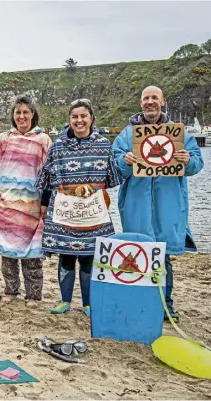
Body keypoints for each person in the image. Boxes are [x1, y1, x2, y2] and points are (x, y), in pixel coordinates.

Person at [112, 86, 204, 322]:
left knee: (163, 257)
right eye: (146, 98)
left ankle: (166, 304)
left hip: (168, 206)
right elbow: (113, 167)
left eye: (154, 98)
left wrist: (188, 159)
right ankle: (139, 304)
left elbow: (197, 164)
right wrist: (124, 161)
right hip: (136, 205)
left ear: (163, 101)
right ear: (140, 103)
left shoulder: (179, 134)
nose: (150, 102)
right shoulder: (127, 135)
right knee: (138, 254)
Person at [36, 99, 122, 317]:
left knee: (88, 257)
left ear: (92, 118)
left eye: (83, 116)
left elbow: (112, 179)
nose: (79, 120)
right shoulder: (57, 147)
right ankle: (64, 301)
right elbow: (45, 179)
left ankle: (88, 304)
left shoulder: (104, 145)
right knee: (66, 255)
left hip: (92, 212)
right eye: (75, 117)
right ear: (70, 120)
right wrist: (45, 205)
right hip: (65, 210)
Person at [0, 96, 52, 306]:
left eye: (25, 112)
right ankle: (10, 290)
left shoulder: (44, 140)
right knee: (8, 251)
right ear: (13, 116)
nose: (21, 116)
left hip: (32, 205)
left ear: (33, 114)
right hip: (6, 203)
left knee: (32, 252)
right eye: (17, 113)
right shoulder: (4, 138)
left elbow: (49, 174)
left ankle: (33, 294)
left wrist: (45, 203)